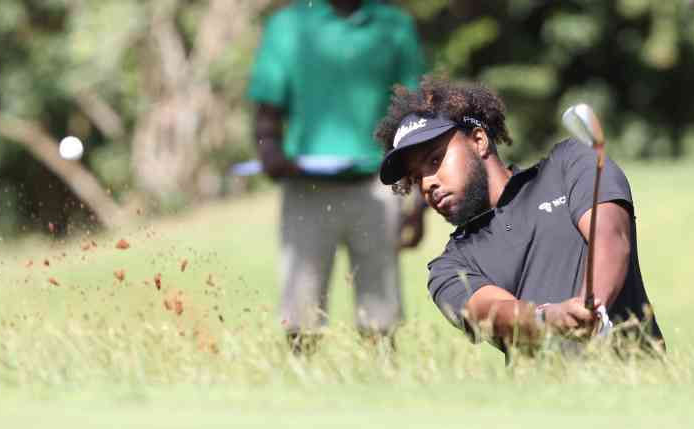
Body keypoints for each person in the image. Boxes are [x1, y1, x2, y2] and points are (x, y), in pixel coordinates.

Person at [374, 76, 664, 358]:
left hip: (639, 381)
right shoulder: (449, 267)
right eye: (416, 177)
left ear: (478, 140)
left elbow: (611, 237)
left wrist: (593, 304)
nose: (427, 184)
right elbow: (491, 313)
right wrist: (548, 318)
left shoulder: (569, 165)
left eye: (435, 160)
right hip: (542, 390)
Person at [247, 0, 426, 352]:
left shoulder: (393, 27)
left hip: (378, 185)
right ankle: (301, 381)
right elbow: (267, 109)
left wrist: (419, 201)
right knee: (301, 315)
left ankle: (381, 380)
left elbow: (416, 119)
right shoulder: (288, 26)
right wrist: (269, 152)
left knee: (381, 317)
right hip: (306, 186)